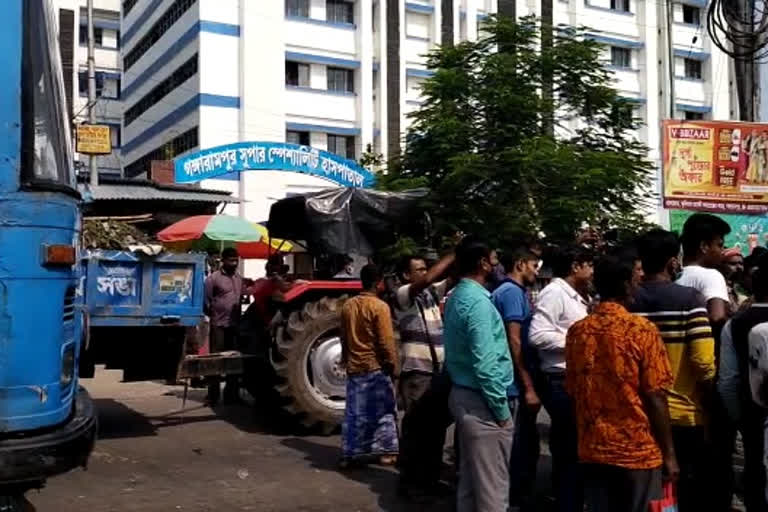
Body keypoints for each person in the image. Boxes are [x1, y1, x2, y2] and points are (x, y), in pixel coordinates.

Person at [566, 254, 678, 512]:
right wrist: (670, 454)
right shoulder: (641, 330)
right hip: (637, 451)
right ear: (626, 284)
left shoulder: (577, 331)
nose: (641, 278)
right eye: (636, 273)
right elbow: (655, 395)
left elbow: (573, 388)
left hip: (593, 448)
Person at [631, 229, 716, 511]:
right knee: (686, 492)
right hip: (683, 414)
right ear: (672, 262)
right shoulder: (690, 300)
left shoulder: (628, 301)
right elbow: (703, 363)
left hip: (639, 413)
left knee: (649, 496)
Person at [443, 237, 517, 512]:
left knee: (472, 485)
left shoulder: (458, 297)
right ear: (483, 263)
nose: (497, 264)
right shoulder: (478, 304)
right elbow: (485, 365)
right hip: (483, 402)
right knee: (493, 491)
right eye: (494, 258)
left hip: (464, 395)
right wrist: (501, 412)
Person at [529, 245, 594, 512]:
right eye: (588, 264)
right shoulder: (554, 293)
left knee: (570, 448)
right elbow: (537, 334)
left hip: (572, 377)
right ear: (575, 266)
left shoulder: (573, 295)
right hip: (560, 379)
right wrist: (579, 341)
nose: (592, 270)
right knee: (570, 450)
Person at [676, 213, 734, 510]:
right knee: (714, 458)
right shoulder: (712, 276)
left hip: (677, 382)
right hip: (707, 379)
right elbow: (717, 317)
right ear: (703, 246)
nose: (722, 252)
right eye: (719, 245)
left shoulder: (678, 276)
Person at [393, 250, 455, 498]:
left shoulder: (430, 294)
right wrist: (453, 253)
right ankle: (410, 484)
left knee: (435, 431)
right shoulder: (402, 295)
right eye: (418, 269)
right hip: (417, 373)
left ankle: (429, 480)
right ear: (406, 275)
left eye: (424, 268)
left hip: (436, 371)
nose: (424, 272)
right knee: (416, 431)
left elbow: (450, 279)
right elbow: (430, 279)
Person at [491, 247, 541, 510]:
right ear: (521, 264)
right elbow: (514, 341)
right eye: (534, 264)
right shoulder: (510, 293)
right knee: (516, 447)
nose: (537, 270)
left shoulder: (508, 291)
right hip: (512, 381)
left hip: (511, 379)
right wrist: (528, 385)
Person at [718, 251, 768, 511]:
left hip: (751, 414)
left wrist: (739, 416)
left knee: (756, 470)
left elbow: (727, 379)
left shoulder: (735, 324)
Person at [339, 264, 399, 467]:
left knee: (355, 413)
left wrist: (346, 358)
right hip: (375, 366)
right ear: (379, 282)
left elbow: (344, 337)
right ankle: (386, 452)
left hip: (355, 367)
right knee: (384, 411)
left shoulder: (348, 305)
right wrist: (392, 365)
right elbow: (386, 341)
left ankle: (351, 453)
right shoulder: (380, 307)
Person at [203, 247, 243, 406]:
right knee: (216, 361)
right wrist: (214, 315)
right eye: (231, 260)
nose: (234, 263)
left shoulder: (239, 278)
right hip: (218, 325)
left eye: (236, 260)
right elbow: (205, 301)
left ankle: (232, 395)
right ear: (223, 260)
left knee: (233, 361)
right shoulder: (213, 278)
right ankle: (212, 396)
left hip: (234, 326)